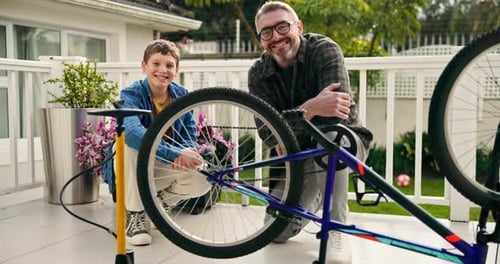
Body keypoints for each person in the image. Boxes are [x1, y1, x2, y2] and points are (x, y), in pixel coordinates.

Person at [248, 2, 373, 264]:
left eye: (282, 27)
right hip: (294, 159)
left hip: (343, 144)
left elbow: (336, 115)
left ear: (299, 27)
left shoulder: (324, 50)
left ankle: (337, 228)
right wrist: (310, 107)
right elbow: (269, 136)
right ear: (261, 40)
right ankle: (316, 200)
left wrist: (287, 124)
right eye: (267, 33)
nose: (276, 37)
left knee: (330, 140)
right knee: (276, 231)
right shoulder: (258, 74)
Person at [102, 39, 211, 246]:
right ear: (144, 66)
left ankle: (155, 208)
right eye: (156, 64)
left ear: (176, 70)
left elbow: (189, 135)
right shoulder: (131, 94)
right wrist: (173, 154)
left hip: (163, 168)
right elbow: (133, 132)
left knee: (204, 176)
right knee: (126, 143)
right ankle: (135, 215)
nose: (163, 70)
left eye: (169, 65)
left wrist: (187, 152)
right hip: (132, 171)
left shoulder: (182, 96)